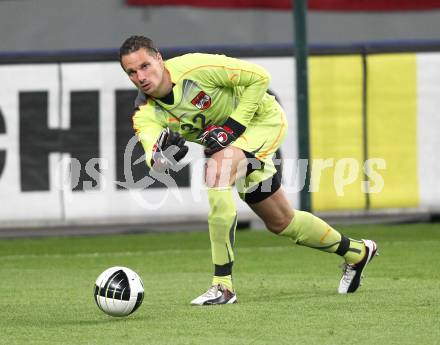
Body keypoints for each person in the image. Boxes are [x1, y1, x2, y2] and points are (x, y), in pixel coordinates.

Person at [119, 35, 378, 305]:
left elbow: (260, 77)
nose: (140, 76)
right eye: (132, 72)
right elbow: (155, 159)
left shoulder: (195, 68)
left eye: (145, 66)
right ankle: (357, 252)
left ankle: (223, 286)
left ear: (159, 58)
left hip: (264, 120)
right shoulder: (144, 112)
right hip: (235, 146)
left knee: (216, 170)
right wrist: (163, 158)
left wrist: (232, 127)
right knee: (282, 222)